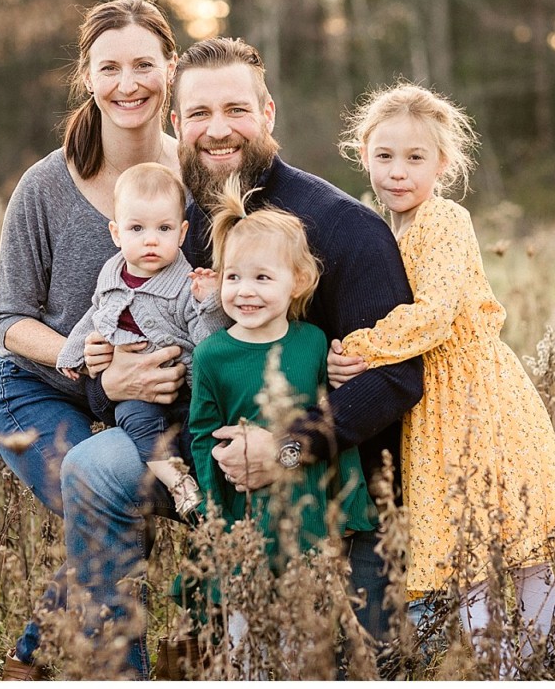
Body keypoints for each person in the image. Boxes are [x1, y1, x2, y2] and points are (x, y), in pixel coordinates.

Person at [63, 37, 423, 678]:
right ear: (176, 124)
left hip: (338, 490)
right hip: (211, 470)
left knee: (351, 667)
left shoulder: (343, 229)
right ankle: (116, 665)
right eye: (199, 113)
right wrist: (107, 380)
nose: (217, 129)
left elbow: (397, 381)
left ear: (269, 115)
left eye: (237, 109)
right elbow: (135, 345)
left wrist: (286, 448)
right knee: (93, 464)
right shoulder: (173, 232)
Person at [0, 0, 182, 680]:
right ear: (88, 78)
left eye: (144, 65)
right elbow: (8, 321)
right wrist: (94, 372)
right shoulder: (45, 186)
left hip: (142, 405)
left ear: (170, 69)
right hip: (35, 390)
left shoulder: (198, 182)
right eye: (110, 68)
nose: (129, 84)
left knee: (117, 509)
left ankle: (30, 659)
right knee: (108, 514)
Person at [331, 82, 555, 672]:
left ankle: (526, 665)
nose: (398, 172)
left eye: (415, 158)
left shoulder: (443, 217)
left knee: (513, 542)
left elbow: (435, 313)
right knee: (465, 544)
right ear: (364, 156)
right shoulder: (388, 229)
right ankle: (499, 666)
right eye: (384, 156)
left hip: (475, 395)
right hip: (434, 407)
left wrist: (364, 346)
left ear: (443, 164)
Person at [188, 179, 374, 652]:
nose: (245, 292)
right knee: (243, 634)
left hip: (306, 511)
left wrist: (349, 506)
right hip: (242, 513)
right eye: (233, 277)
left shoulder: (312, 343)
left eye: (262, 278)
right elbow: (202, 434)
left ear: (300, 281)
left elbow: (332, 424)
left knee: (301, 636)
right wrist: (212, 510)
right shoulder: (212, 354)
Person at [56, 162, 227, 518]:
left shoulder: (186, 284)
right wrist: (72, 352)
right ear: (117, 234)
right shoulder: (112, 273)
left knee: (202, 434)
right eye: (137, 228)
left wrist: (208, 303)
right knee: (134, 416)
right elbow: (95, 314)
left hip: (186, 390)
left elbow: (209, 342)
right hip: (135, 393)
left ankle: (214, 505)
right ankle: (177, 482)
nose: (151, 239)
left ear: (182, 234)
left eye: (163, 228)